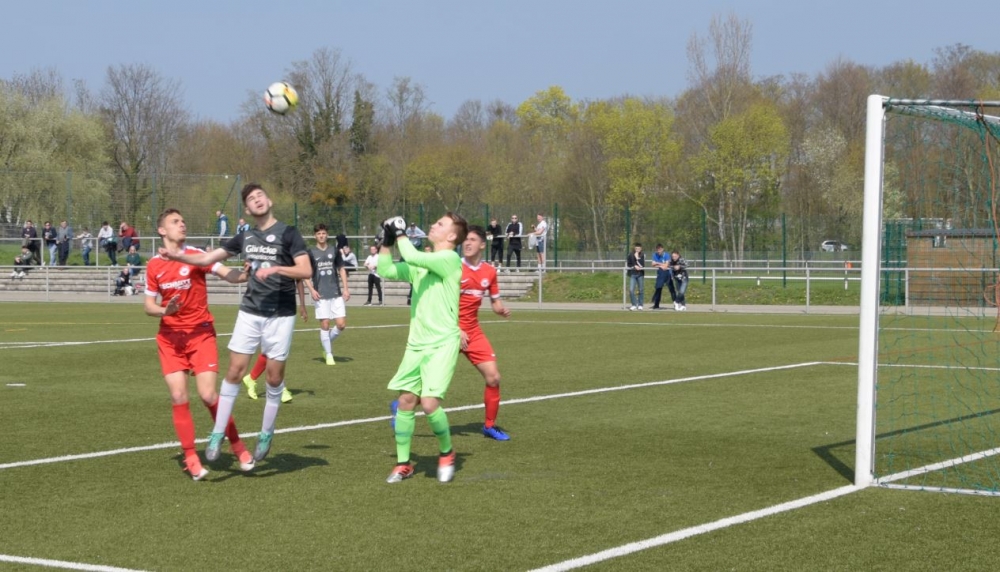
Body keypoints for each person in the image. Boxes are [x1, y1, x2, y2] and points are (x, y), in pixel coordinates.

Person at [158, 183, 312, 462]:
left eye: (260, 195)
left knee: (274, 377)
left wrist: (277, 269)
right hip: (250, 311)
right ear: (248, 210)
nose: (257, 200)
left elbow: (306, 269)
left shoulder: (289, 233)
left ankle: (266, 432)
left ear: (269, 201)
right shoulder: (245, 237)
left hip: (281, 314)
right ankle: (218, 433)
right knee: (234, 372)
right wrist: (177, 255)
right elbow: (208, 258)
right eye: (251, 199)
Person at [144, 207, 255, 480]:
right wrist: (165, 311)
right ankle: (191, 457)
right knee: (178, 396)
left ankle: (238, 446)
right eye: (175, 222)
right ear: (162, 230)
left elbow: (227, 274)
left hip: (200, 334)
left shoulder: (196, 255)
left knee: (208, 395)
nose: (182, 224)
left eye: (183, 221)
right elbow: (148, 305)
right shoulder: (153, 265)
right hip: (170, 338)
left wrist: (245, 275)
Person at [377, 212, 467, 483]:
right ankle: (403, 464)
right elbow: (386, 270)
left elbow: (412, 255)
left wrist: (400, 232)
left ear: (452, 235)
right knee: (406, 401)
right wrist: (386, 241)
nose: (433, 225)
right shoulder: (422, 264)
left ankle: (447, 452)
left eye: (440, 224)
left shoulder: (450, 259)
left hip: (442, 343)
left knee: (428, 403)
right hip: (417, 344)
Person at [458, 225, 513, 440]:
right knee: (435, 382)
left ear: (482, 244)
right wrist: (456, 329)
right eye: (465, 239)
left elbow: (495, 301)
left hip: (473, 331)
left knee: (494, 377)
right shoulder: (453, 267)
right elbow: (441, 305)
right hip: (449, 330)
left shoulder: (489, 271)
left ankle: (489, 426)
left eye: (472, 239)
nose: (467, 243)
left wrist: (500, 309)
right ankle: (403, 405)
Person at [241, 280, 307, 403]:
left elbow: (299, 280)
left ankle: (252, 378)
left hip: (287, 310)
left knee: (275, 350)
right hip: (268, 308)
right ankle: (280, 387)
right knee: (276, 350)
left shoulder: (291, 267)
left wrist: (302, 304)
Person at [302, 223, 350, 366]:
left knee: (341, 324)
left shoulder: (334, 250)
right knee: (325, 324)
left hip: (336, 293)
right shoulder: (310, 252)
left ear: (327, 235)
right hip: (321, 295)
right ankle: (328, 354)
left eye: (323, 233)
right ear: (315, 236)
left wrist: (346, 288)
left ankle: (325, 342)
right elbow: (305, 274)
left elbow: (341, 269)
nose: (321, 236)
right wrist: (312, 290)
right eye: (319, 234)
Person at [650, 244, 676, 310]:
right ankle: (656, 305)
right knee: (658, 288)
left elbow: (666, 266)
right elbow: (652, 264)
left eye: (660, 249)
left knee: (671, 289)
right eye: (657, 250)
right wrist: (661, 265)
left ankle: (676, 304)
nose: (658, 251)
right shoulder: (655, 255)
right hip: (660, 274)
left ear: (663, 249)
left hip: (667, 274)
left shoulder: (666, 255)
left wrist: (658, 263)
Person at [627, 243, 645, 311]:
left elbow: (641, 265)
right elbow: (629, 264)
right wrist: (634, 266)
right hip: (633, 274)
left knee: (641, 290)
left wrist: (637, 258)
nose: (637, 250)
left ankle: (640, 305)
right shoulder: (630, 255)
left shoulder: (642, 255)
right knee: (631, 290)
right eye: (636, 248)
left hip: (640, 274)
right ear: (634, 249)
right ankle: (634, 304)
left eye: (639, 249)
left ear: (641, 249)